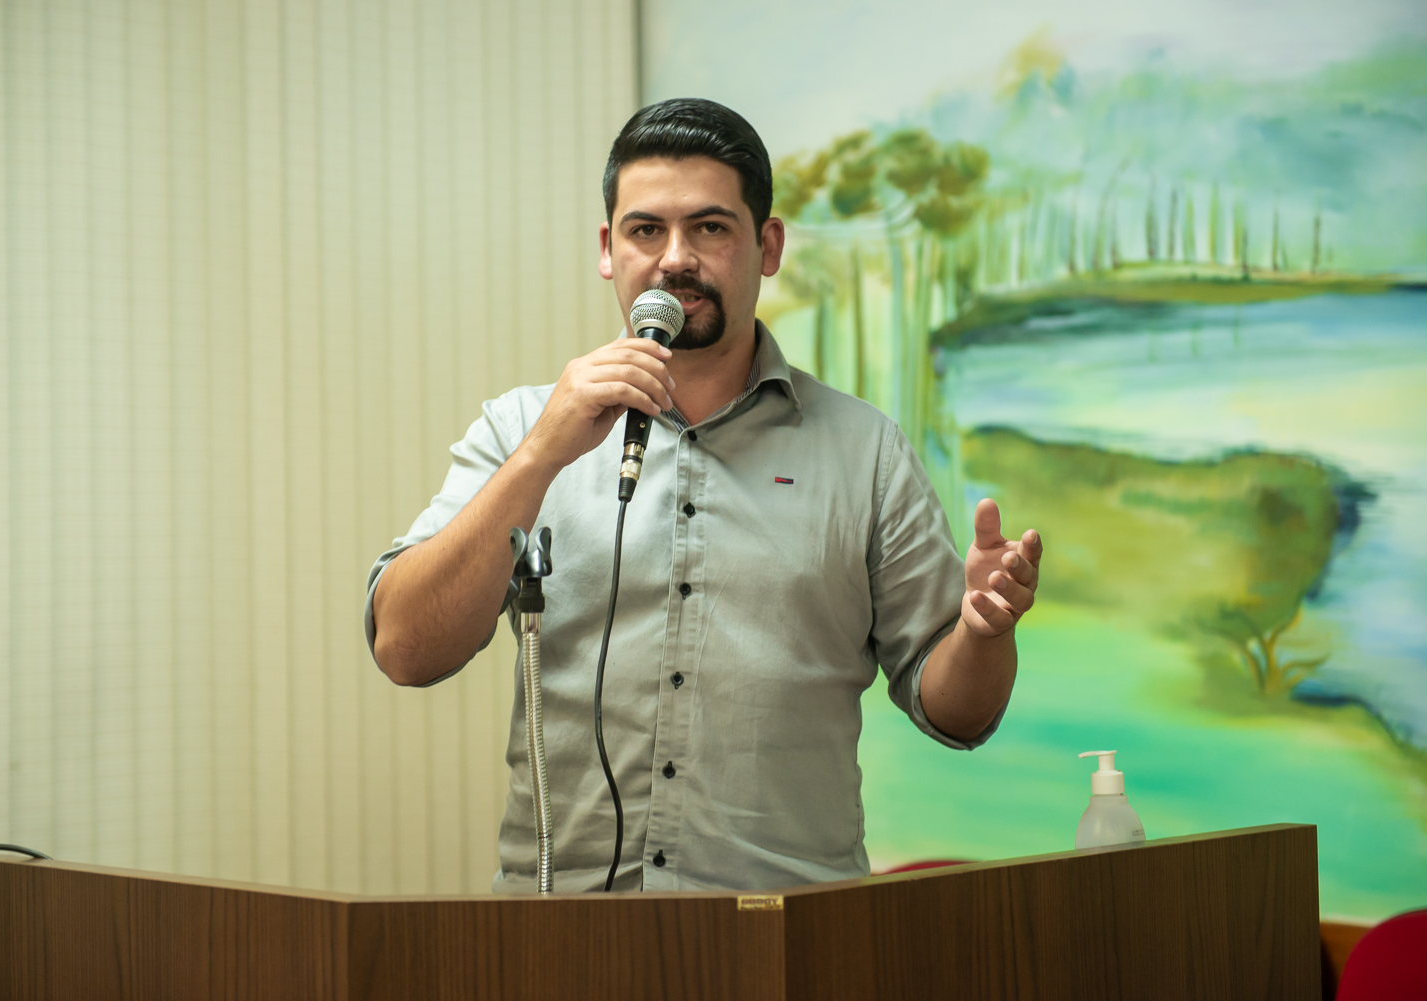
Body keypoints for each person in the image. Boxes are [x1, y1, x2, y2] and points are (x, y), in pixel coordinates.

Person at [366, 98, 1041, 892]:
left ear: (768, 246)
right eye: (646, 230)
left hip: (787, 932)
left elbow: (958, 714)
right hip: (563, 932)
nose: (675, 259)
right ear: (608, 250)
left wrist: (984, 633)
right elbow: (405, 648)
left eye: (710, 227)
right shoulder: (520, 428)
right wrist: (541, 456)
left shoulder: (867, 454)